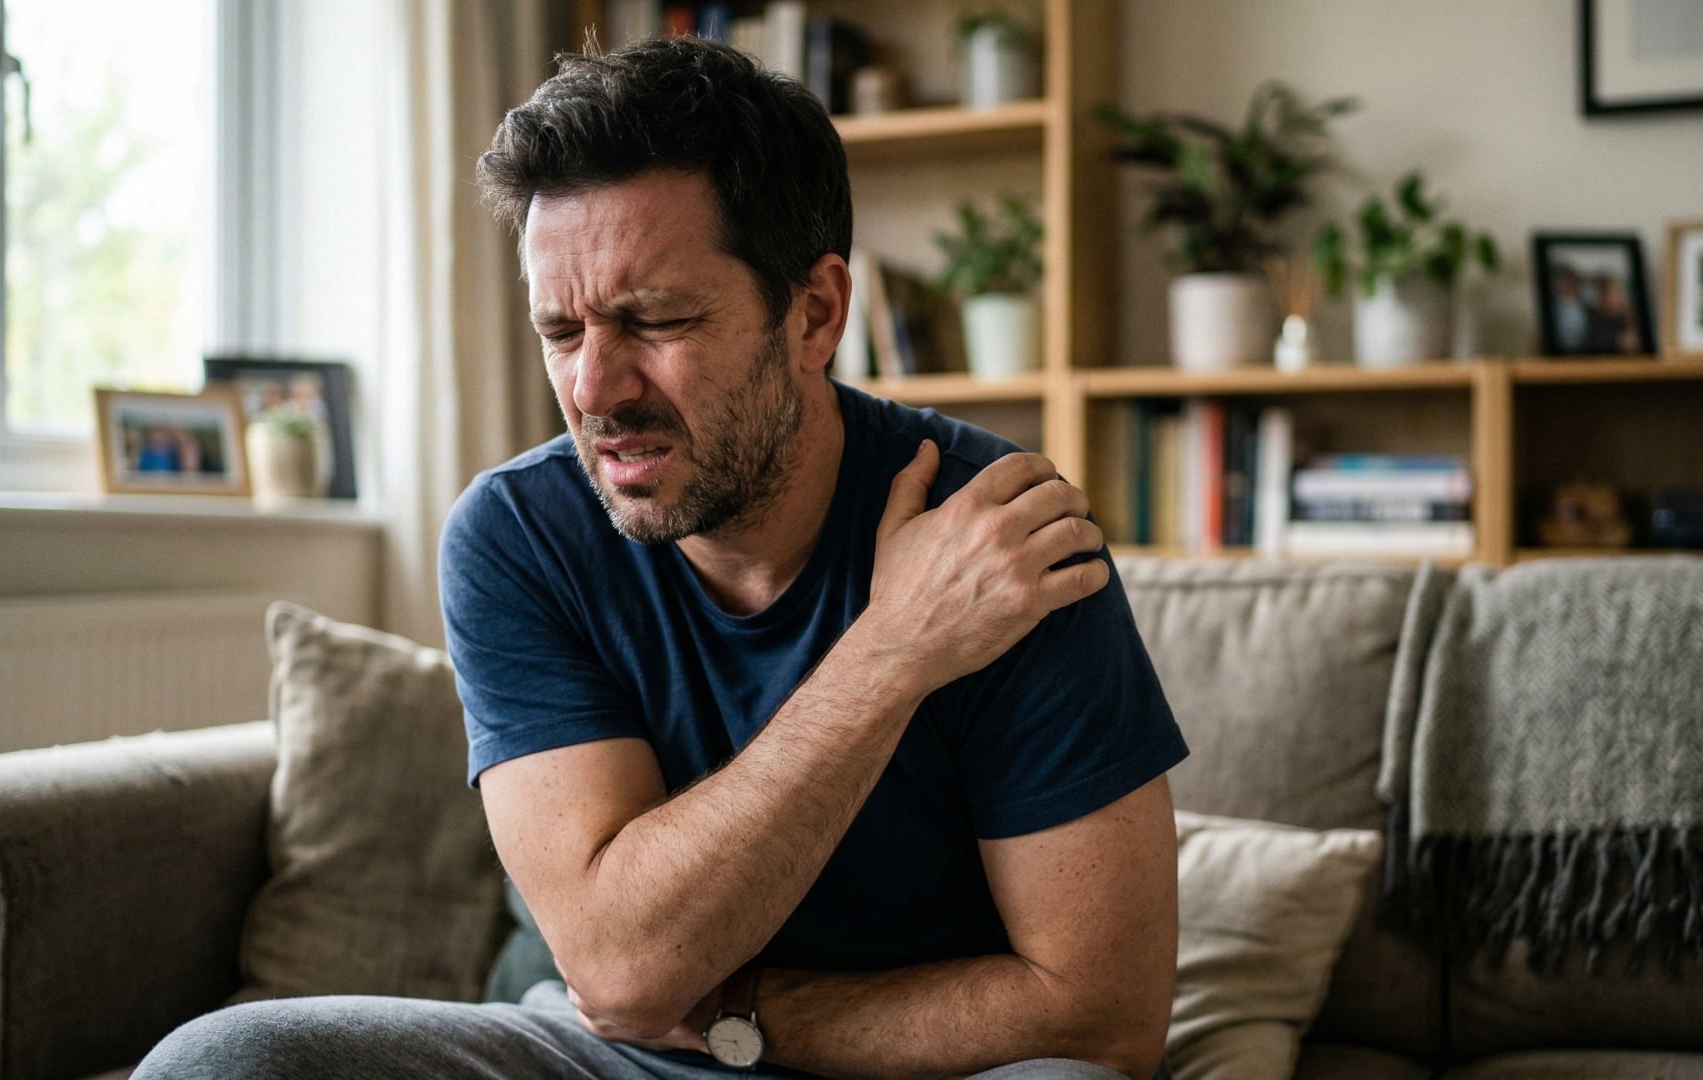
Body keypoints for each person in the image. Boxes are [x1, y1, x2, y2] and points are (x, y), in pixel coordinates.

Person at [135, 36, 1185, 1080]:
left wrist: (745, 1020)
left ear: (815, 313)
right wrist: (896, 648)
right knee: (223, 1060)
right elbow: (619, 974)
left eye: (655, 319)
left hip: (928, 1066)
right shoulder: (517, 535)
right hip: (608, 1055)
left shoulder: (1000, 537)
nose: (594, 388)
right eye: (560, 330)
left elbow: (1102, 1018)